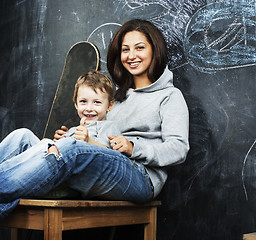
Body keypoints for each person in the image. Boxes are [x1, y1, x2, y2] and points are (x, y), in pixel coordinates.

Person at [0, 19, 189, 221]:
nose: (131, 56)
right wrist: (70, 137)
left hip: (140, 176)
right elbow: (97, 136)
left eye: (139, 48)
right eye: (125, 50)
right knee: (23, 137)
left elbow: (178, 148)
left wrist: (134, 147)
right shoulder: (113, 97)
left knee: (70, 149)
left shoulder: (169, 95)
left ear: (155, 50)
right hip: (101, 162)